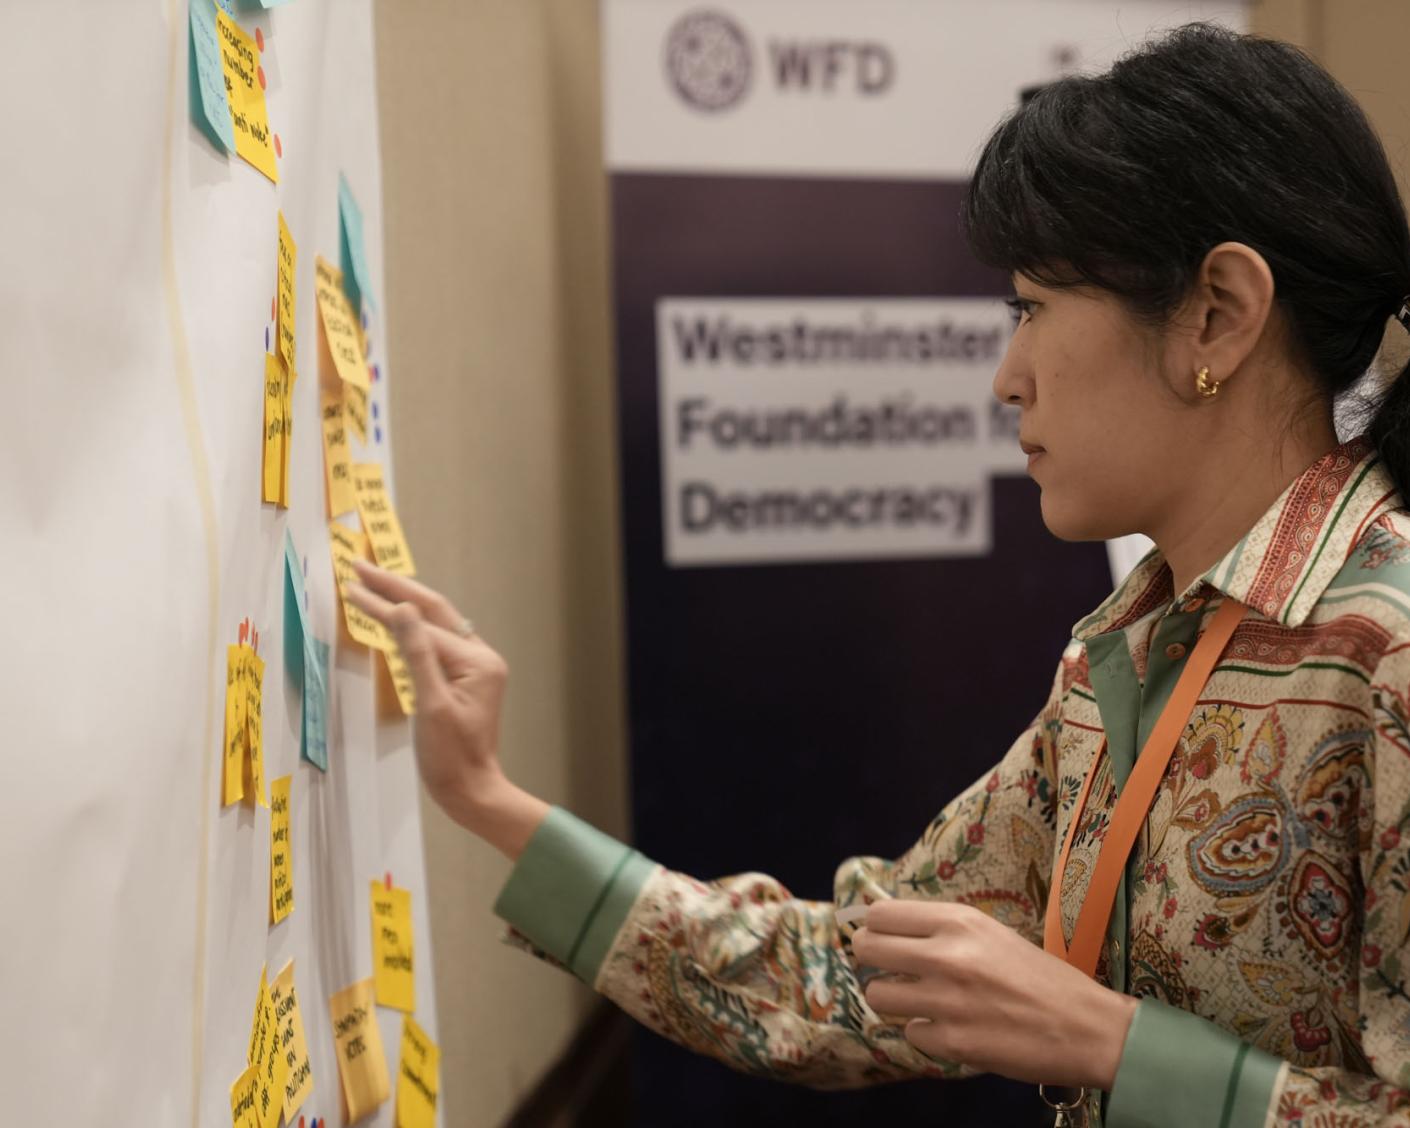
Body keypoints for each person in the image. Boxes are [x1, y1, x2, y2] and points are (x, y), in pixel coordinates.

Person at [347, 23, 1410, 1127]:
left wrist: (1114, 1047)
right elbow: (847, 982)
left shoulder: (1388, 658)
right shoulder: (1129, 653)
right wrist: (489, 800)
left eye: (1032, 309)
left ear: (1217, 314)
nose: (1007, 378)